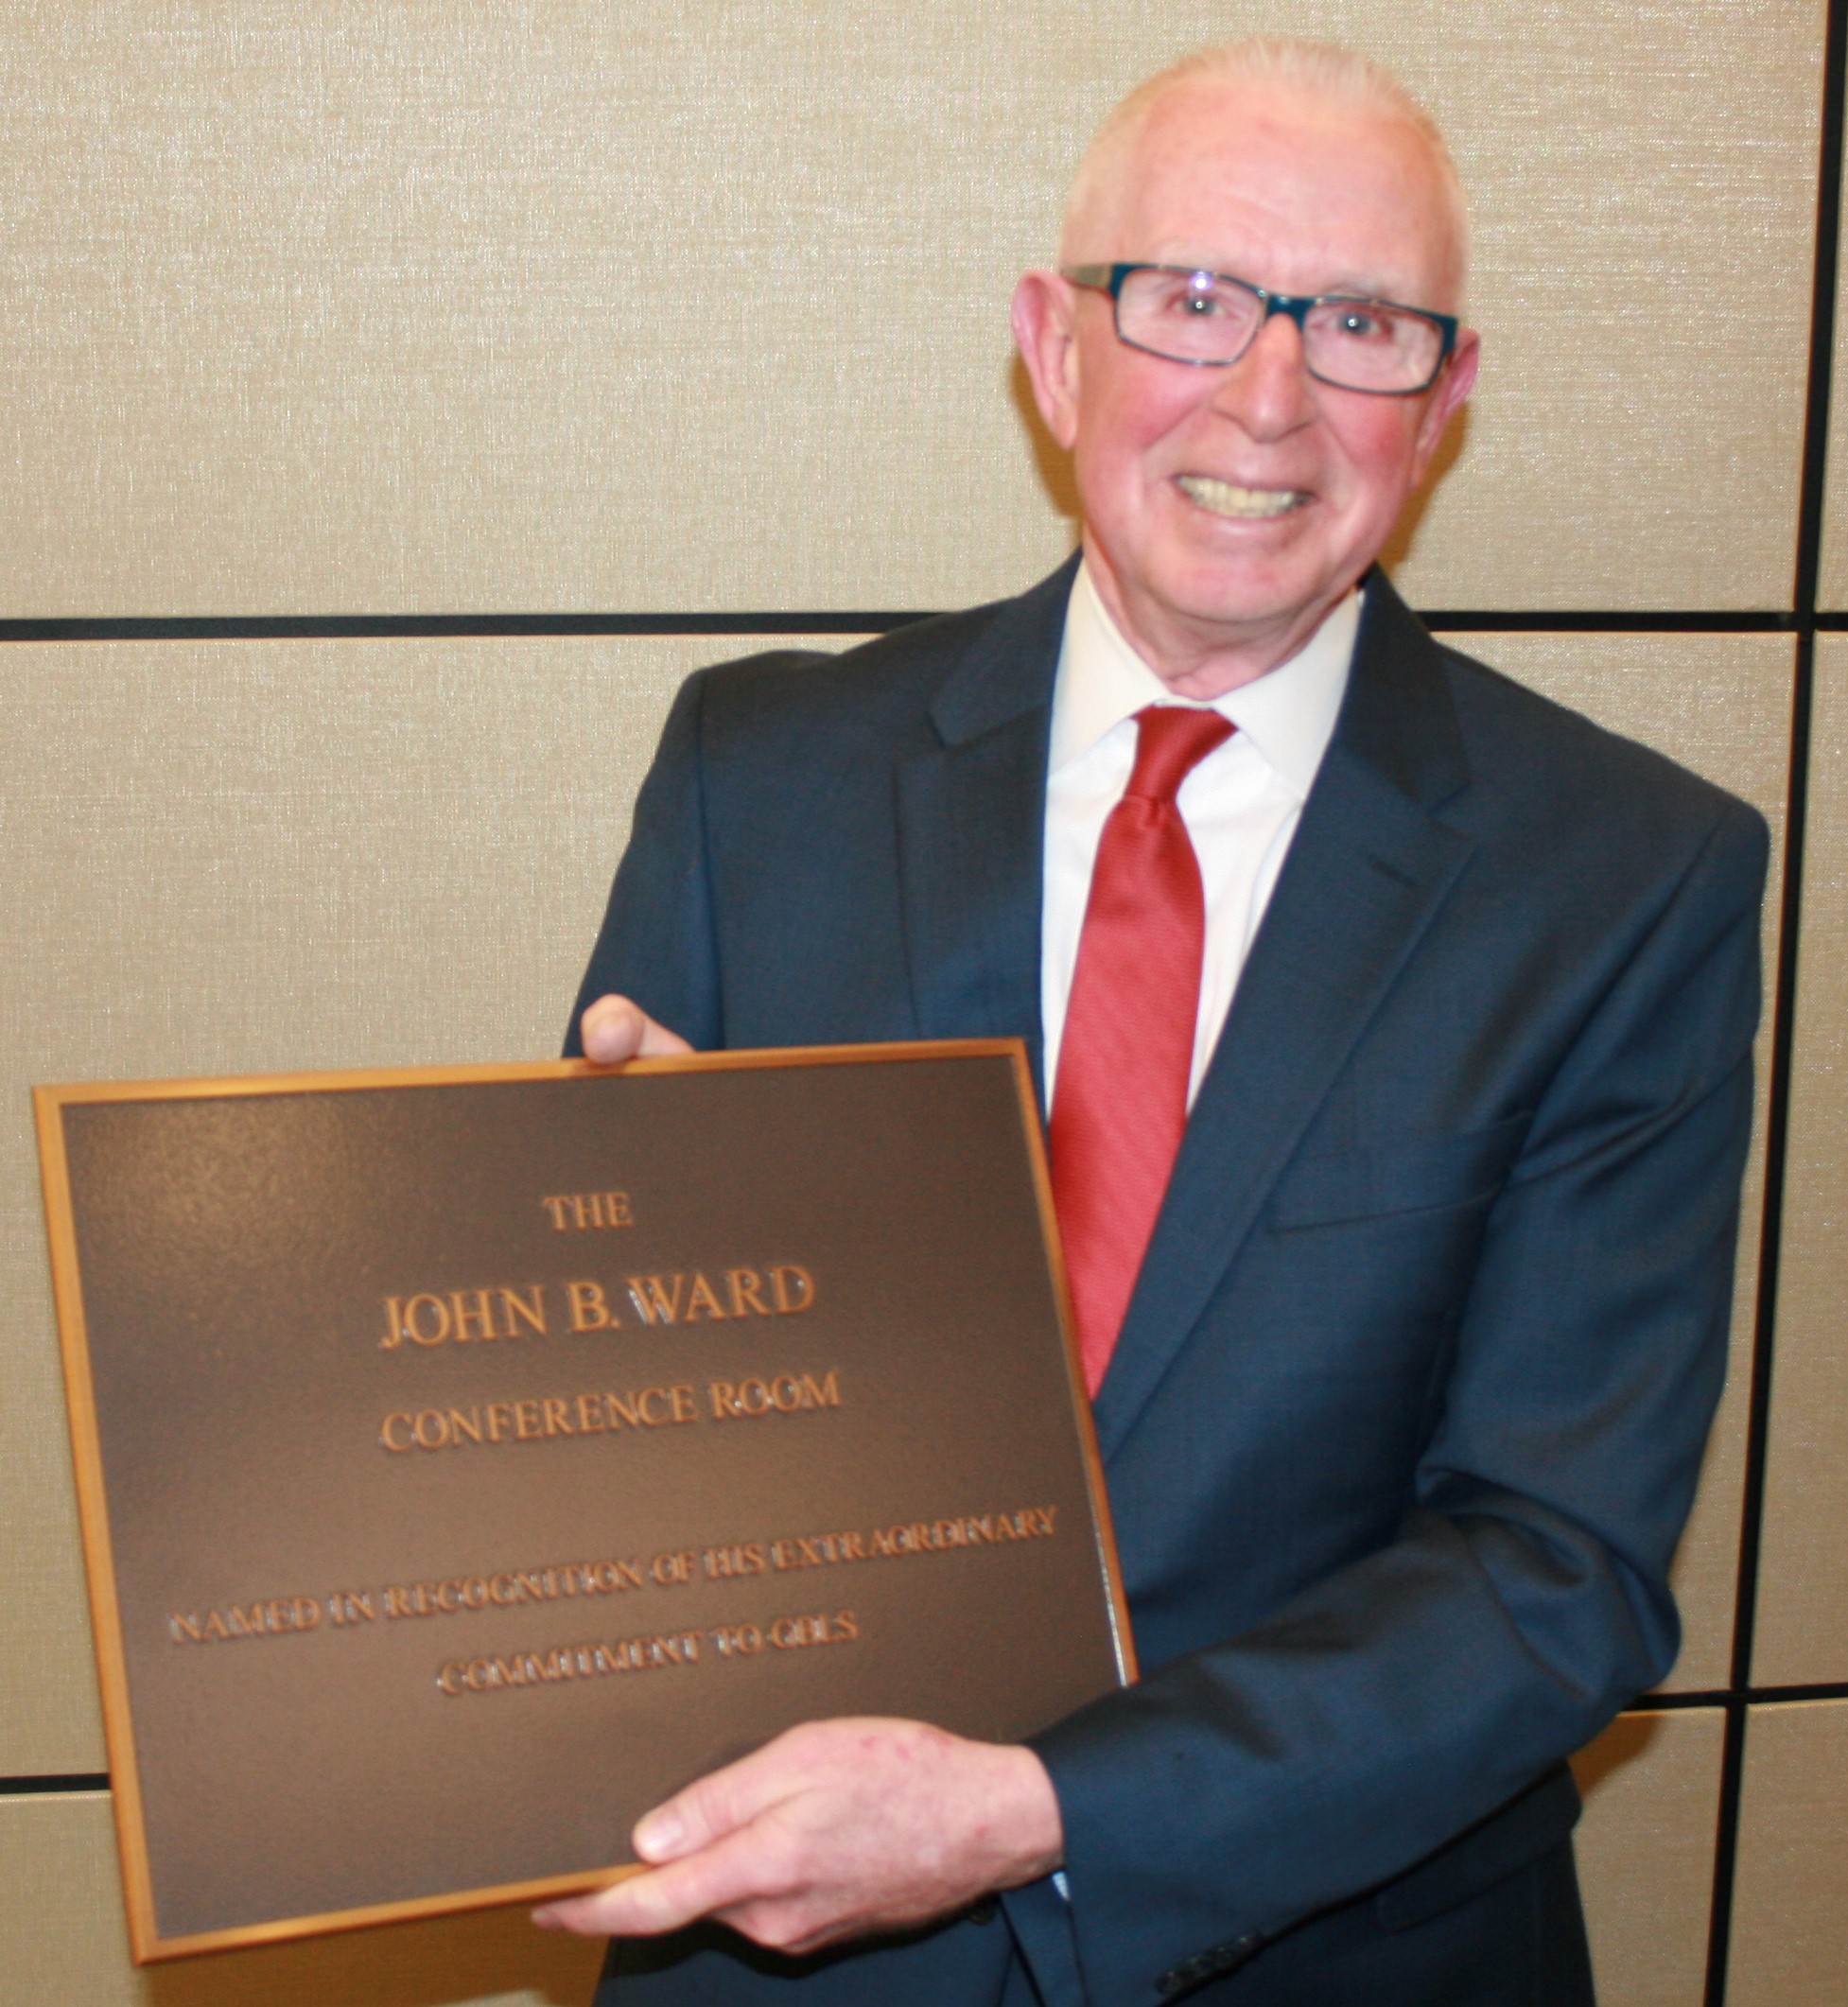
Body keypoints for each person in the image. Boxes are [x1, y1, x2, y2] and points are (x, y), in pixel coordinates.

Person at [536, 37, 1767, 2005]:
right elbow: (587, 1462)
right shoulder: (759, 776)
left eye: (1359, 323)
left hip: (1341, 1950)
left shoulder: (1626, 880)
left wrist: (1039, 1804)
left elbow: (1559, 1564)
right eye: (1191, 300)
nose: (1268, 396)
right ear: (1054, 347)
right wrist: (611, 1280)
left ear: (1442, 400)